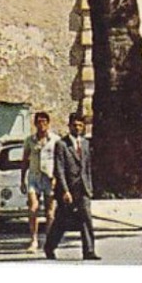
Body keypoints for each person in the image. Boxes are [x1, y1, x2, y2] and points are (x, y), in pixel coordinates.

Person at [44, 111, 98, 260]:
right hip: (68, 189)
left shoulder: (86, 144)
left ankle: (89, 251)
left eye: (80, 125)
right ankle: (49, 246)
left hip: (83, 189)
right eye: (75, 125)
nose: (78, 128)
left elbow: (87, 168)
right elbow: (59, 169)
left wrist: (90, 188)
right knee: (62, 220)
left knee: (86, 218)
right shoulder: (62, 144)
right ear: (69, 126)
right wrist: (65, 190)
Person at [22, 111, 59, 253]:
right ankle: (34, 239)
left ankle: (49, 240)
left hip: (49, 177)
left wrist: (57, 178)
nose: (42, 124)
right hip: (34, 176)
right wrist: (22, 178)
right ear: (35, 123)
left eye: (44, 121)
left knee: (50, 212)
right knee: (33, 208)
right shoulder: (30, 140)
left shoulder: (55, 140)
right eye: (39, 121)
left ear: (48, 123)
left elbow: (59, 160)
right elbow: (25, 159)